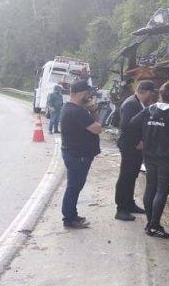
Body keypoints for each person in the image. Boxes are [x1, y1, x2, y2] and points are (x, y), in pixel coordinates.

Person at [127, 80, 169, 238]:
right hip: (167, 158)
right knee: (161, 191)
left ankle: (150, 223)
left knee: (151, 188)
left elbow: (132, 123)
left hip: (149, 156)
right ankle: (154, 226)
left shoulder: (148, 110)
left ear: (160, 95)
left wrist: (139, 140)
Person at [60, 80, 101, 229]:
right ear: (82, 94)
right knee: (74, 186)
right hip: (78, 156)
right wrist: (94, 111)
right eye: (88, 94)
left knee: (75, 186)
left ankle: (72, 213)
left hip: (75, 154)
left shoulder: (70, 108)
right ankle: (69, 218)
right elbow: (97, 128)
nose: (89, 97)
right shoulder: (77, 112)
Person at [114, 80, 158, 221]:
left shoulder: (138, 103)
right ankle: (121, 208)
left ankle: (129, 203)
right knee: (126, 176)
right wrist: (136, 142)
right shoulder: (131, 104)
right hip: (129, 145)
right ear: (145, 92)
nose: (151, 96)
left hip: (134, 146)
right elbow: (126, 126)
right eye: (151, 93)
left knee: (132, 175)